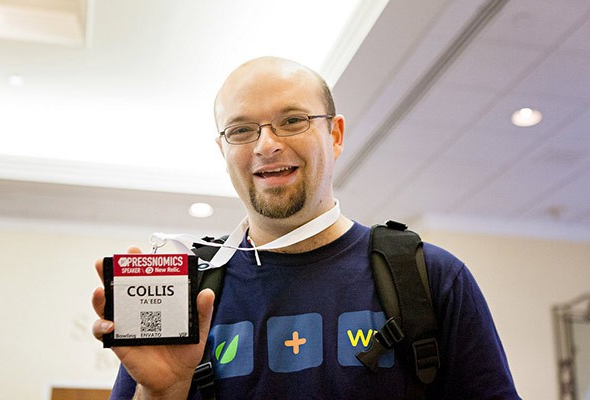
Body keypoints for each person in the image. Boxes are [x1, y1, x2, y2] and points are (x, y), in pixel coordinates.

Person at [92, 56, 521, 399]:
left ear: (335, 134)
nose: (266, 144)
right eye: (241, 130)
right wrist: (162, 393)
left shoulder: (430, 278)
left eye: (292, 120)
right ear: (222, 150)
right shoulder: (186, 291)